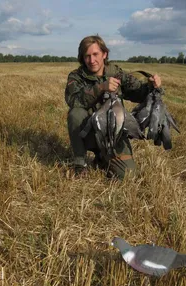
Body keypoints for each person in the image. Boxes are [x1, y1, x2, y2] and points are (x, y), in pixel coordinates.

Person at [65, 35, 162, 179]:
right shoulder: (77, 76)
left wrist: (152, 86)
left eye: (95, 54)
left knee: (127, 175)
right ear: (82, 58)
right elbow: (73, 100)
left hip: (113, 131)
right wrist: (101, 88)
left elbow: (138, 93)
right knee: (75, 113)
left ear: (104, 54)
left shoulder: (116, 73)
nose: (92, 60)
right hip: (89, 131)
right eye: (87, 56)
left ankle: (103, 157)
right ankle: (80, 163)